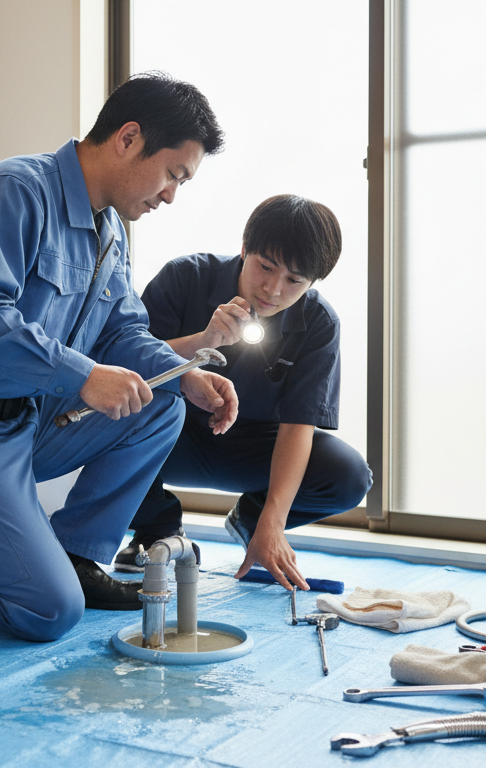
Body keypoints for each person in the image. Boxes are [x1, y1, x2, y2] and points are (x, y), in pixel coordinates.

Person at [0, 73, 239, 642]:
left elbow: (123, 330)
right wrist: (82, 376)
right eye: (174, 174)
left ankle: (77, 555)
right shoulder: (13, 191)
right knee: (50, 612)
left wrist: (187, 377)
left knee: (161, 405)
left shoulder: (112, 232)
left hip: (24, 423)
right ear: (128, 139)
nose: (172, 195)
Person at [112, 194, 373, 591]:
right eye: (265, 267)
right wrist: (204, 339)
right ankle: (155, 529)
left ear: (313, 282)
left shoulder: (319, 322)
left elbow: (298, 426)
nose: (272, 289)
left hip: (250, 449)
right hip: (167, 436)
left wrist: (273, 521)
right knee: (125, 405)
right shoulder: (184, 278)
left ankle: (251, 521)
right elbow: (128, 364)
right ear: (244, 249)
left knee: (349, 475)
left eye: (294, 280)